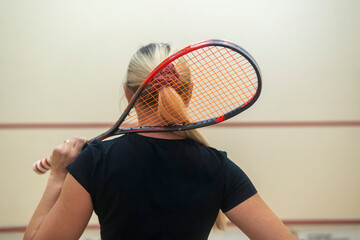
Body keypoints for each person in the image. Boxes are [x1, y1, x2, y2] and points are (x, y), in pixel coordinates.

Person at [24, 43, 296, 240]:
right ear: (186, 94)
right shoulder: (219, 168)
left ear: (128, 93)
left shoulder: (95, 162)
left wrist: (58, 176)